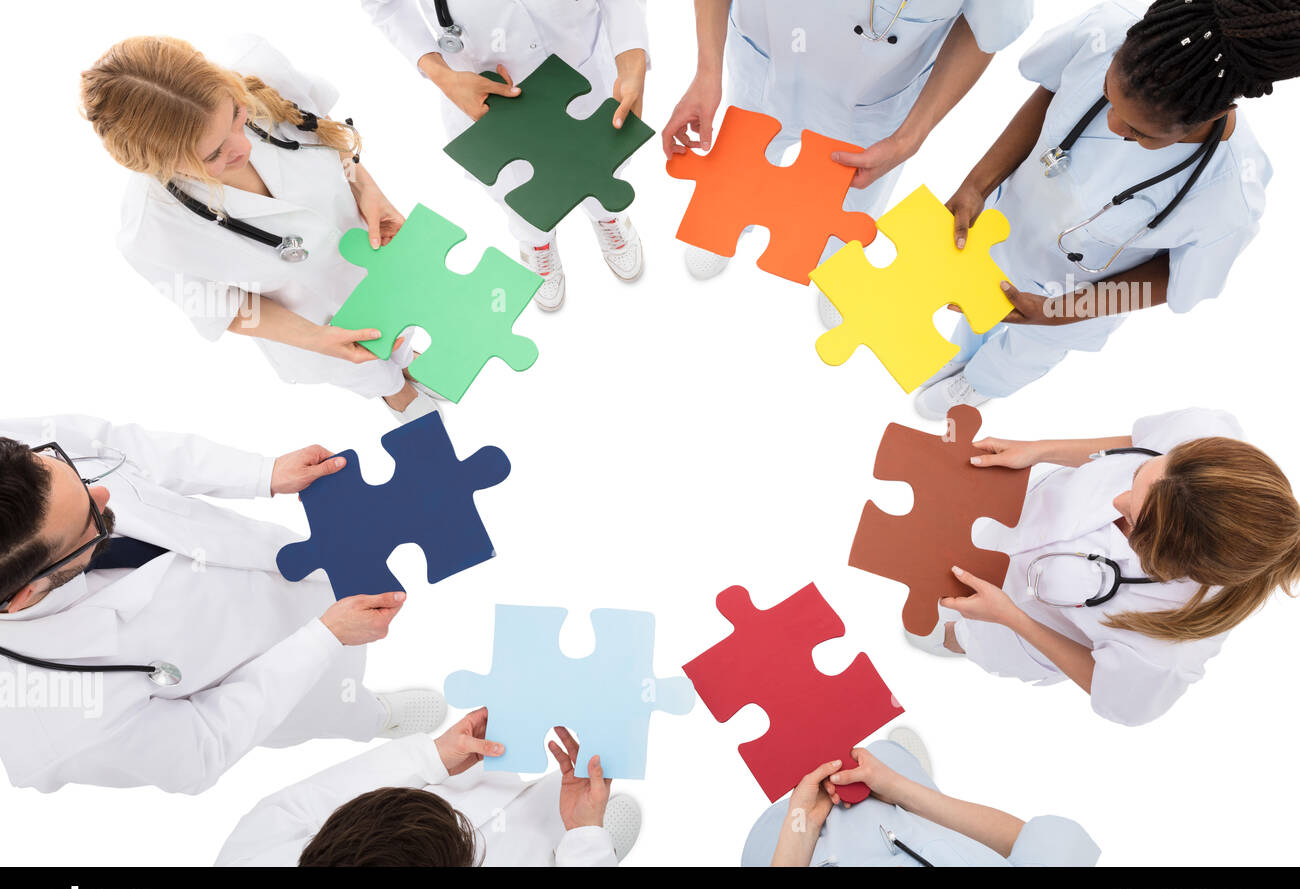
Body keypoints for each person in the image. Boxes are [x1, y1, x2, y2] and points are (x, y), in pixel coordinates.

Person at [0, 415, 445, 793]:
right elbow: (202, 744)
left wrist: (260, 473)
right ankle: (371, 718)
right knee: (334, 702)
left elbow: (117, 446)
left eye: (74, 472)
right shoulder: (55, 725)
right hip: (273, 673)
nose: (104, 495)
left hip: (273, 560)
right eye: (91, 521)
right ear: (25, 594)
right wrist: (323, 638)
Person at [917, 0, 1300, 418]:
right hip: (1007, 230)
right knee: (976, 310)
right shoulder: (1103, 34)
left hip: (1075, 297)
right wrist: (976, 185)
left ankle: (980, 384)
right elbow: (1050, 93)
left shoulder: (1230, 192)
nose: (1114, 125)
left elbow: (1173, 280)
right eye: (1107, 97)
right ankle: (961, 353)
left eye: (1139, 132)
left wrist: (1058, 312)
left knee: (1024, 354)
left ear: (1219, 113)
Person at [82, 35, 441, 423]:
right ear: (159, 163)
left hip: (365, 259)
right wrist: (316, 339)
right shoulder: (149, 229)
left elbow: (324, 134)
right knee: (364, 371)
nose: (244, 147)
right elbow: (225, 308)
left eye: (238, 116)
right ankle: (392, 390)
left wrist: (366, 187)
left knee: (397, 327)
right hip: (307, 322)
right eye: (215, 154)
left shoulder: (263, 73)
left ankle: (406, 361)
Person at [907, 408, 1300, 726]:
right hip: (1017, 514)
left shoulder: (1170, 653)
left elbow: (1111, 692)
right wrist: (1039, 450)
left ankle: (954, 638)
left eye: (1134, 516)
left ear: (1170, 560)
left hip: (1010, 624)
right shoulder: (1205, 439)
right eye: (1135, 479)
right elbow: (1139, 444)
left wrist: (1009, 618)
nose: (1117, 501)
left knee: (951, 632)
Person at [661, 0, 1034, 324]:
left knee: (855, 195)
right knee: (743, 152)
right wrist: (707, 71)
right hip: (763, 57)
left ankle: (839, 261)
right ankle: (725, 226)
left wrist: (909, 138)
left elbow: (987, 30)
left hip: (871, 94)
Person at [361, 0, 650, 311]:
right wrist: (441, 74)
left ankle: (608, 215)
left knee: (602, 165)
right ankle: (537, 240)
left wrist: (630, 51)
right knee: (516, 187)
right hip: (484, 85)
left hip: (579, 60)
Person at [215, 710, 641, 866]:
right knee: (568, 839)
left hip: (462, 790)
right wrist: (585, 842)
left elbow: (297, 807)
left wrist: (430, 758)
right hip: (531, 851)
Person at [743, 727, 1100, 866]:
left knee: (764, 832)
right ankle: (915, 777)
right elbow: (1021, 840)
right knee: (889, 755)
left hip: (785, 849)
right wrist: (901, 789)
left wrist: (800, 823)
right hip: (897, 809)